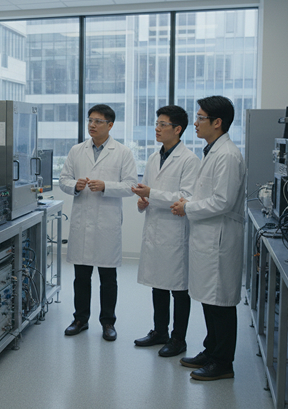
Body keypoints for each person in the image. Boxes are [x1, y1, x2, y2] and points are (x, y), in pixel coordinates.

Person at [170, 96, 246, 381]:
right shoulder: (213, 150)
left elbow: (222, 201)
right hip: (207, 237)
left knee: (220, 303)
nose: (196, 123)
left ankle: (223, 362)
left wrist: (188, 207)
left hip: (219, 239)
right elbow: (208, 194)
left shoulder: (227, 155)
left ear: (217, 122)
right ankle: (211, 350)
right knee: (208, 299)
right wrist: (188, 202)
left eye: (201, 118)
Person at [58, 104, 138, 341]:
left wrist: (106, 186)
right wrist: (75, 185)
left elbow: (131, 186)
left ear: (110, 125)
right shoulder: (77, 150)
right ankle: (80, 319)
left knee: (108, 278)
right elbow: (63, 179)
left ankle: (108, 322)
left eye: (98, 121)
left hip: (107, 223)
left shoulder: (123, 152)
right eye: (90, 120)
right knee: (81, 277)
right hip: (83, 221)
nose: (92, 125)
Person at [131, 105, 200, 358]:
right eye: (157, 124)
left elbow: (186, 197)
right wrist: (143, 201)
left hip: (175, 232)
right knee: (157, 284)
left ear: (177, 129)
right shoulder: (153, 157)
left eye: (163, 124)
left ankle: (178, 339)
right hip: (155, 229)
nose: (157, 129)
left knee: (179, 288)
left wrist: (151, 193)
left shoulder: (190, 160)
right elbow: (149, 192)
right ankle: (159, 332)